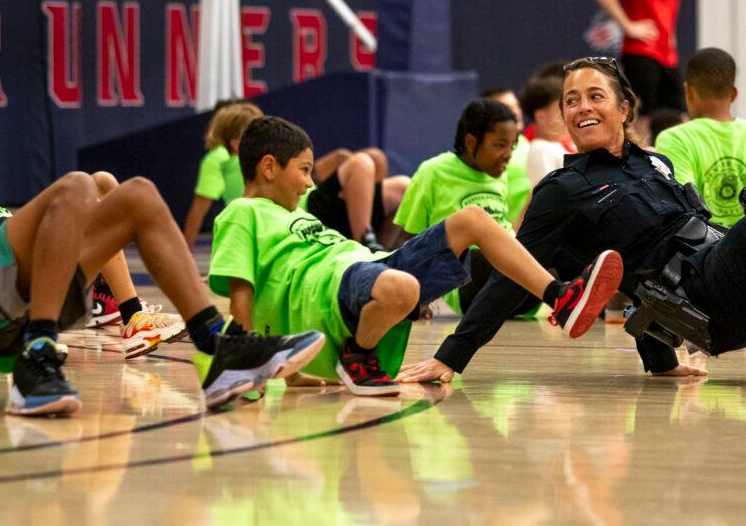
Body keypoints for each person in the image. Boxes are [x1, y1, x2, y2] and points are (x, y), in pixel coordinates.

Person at [397, 56, 746, 391]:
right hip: (708, 298)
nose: (581, 107)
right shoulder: (561, 190)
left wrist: (659, 363)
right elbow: (516, 273)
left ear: (624, 108)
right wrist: (452, 355)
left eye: (594, 96)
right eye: (571, 101)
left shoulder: (654, 162)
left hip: (734, 270)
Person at [0, 44, 324, 413]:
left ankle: (216, 348)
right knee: (77, 185)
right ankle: (40, 354)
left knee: (137, 195)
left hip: (3, 300)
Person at [207, 115, 622, 396]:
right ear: (267, 167)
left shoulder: (295, 212)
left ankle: (560, 298)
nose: (308, 183)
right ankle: (359, 355)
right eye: (303, 170)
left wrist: (296, 375)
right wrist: (248, 362)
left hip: (364, 269)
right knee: (402, 288)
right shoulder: (243, 213)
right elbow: (245, 290)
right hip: (337, 287)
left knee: (473, 220)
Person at [0, 114, 186, 358]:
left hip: (27, 258)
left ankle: (113, 301)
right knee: (92, 214)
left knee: (103, 182)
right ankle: (126, 312)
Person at [395, 99, 535, 314]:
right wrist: (416, 295)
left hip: (509, 284)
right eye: (500, 145)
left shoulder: (499, 175)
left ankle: (573, 293)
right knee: (481, 257)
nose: (508, 154)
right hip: (461, 284)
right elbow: (408, 239)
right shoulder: (433, 171)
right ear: (471, 142)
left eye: (512, 146)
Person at [654, 47, 746, 228]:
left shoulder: (673, 139)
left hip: (698, 254)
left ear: (688, 92)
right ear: (734, 94)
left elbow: (683, 214)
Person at [592, 0, 685, 131]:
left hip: (667, 52)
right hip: (641, 51)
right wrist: (628, 26)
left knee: (679, 110)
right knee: (641, 113)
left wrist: (670, 33)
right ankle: (637, 159)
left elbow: (674, 0)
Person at [182, 100, 263, 248]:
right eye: (256, 131)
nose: (265, 134)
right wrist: (184, 253)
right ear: (236, 142)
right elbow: (198, 210)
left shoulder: (265, 157)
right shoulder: (218, 159)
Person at [304, 146, 409, 250]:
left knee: (403, 186)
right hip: (313, 207)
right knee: (359, 162)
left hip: (345, 218)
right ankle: (366, 242)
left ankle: (382, 252)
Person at [481, 86, 531, 223]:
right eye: (508, 108)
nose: (516, 112)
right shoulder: (486, 154)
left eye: (517, 106)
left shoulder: (525, 143)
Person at [521, 76, 576, 186]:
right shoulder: (541, 150)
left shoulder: (554, 147)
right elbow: (548, 193)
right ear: (541, 117)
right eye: (561, 112)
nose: (568, 116)